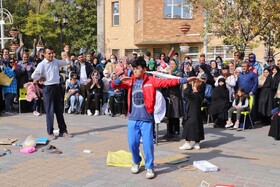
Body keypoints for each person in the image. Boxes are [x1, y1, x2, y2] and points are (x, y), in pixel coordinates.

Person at [111, 56, 188, 179]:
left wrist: (181, 80)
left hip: (146, 119)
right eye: (134, 68)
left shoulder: (151, 80)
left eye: (138, 68)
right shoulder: (130, 81)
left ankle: (149, 166)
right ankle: (136, 161)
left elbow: (166, 82)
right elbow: (114, 86)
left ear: (144, 70)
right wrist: (118, 81)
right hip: (133, 119)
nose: (135, 71)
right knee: (132, 143)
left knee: (148, 145)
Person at [31, 46, 72, 140]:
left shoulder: (56, 61)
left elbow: (67, 62)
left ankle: (63, 130)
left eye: (52, 53)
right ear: (44, 54)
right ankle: (50, 132)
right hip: (48, 88)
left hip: (57, 87)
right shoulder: (42, 64)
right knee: (50, 111)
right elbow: (34, 75)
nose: (51, 55)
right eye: (49, 53)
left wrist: (67, 52)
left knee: (59, 110)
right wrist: (40, 78)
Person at [180, 77, 205, 150]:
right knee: (196, 125)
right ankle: (196, 143)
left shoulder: (196, 93)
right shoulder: (196, 93)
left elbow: (185, 92)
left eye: (194, 82)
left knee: (189, 125)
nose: (193, 83)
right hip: (194, 112)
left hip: (192, 112)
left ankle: (188, 143)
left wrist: (190, 85)